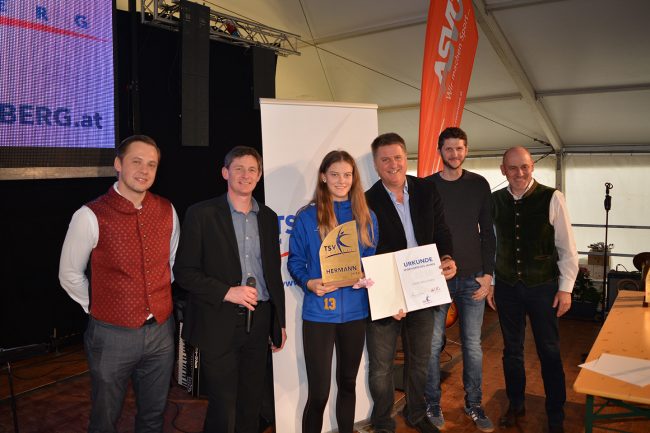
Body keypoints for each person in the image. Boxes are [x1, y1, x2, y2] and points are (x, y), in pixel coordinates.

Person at [59, 135, 180, 433]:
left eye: (151, 164)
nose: (144, 170)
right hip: (110, 335)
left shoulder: (167, 210)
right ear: (118, 164)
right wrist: (98, 306)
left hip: (161, 332)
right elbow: (69, 274)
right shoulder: (90, 215)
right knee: (104, 420)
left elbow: (171, 264)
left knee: (153, 417)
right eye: (136, 161)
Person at [173, 146, 286, 433]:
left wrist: (279, 322)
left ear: (259, 175)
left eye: (252, 170)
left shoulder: (268, 217)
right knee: (223, 406)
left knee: (251, 403)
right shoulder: (201, 214)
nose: (245, 175)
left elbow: (273, 275)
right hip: (217, 319)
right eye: (239, 169)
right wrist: (227, 291)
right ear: (225, 173)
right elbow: (184, 272)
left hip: (259, 321)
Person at [365, 132, 457, 433]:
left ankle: (416, 414)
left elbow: (442, 229)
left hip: (423, 287)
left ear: (406, 158)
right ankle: (382, 422)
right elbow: (366, 250)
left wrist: (447, 257)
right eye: (385, 159)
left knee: (420, 359)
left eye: (398, 157)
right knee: (381, 366)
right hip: (386, 292)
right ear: (376, 165)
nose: (393, 164)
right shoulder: (365, 200)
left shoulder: (426, 189)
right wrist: (388, 295)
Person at [487, 146, 578, 433]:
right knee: (511, 351)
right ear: (503, 170)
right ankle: (516, 405)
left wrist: (566, 288)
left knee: (549, 351)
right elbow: (492, 246)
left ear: (532, 167)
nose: (519, 173)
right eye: (513, 167)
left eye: (524, 166)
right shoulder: (494, 201)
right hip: (507, 287)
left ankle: (556, 415)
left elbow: (566, 246)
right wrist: (491, 282)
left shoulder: (552, 197)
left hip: (542, 288)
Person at [287, 150, 378, 433]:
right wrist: (309, 283)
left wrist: (364, 276)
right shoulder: (306, 217)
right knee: (318, 394)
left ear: (354, 178)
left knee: (348, 384)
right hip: (319, 315)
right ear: (323, 177)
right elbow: (295, 262)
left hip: (355, 313)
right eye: (335, 174)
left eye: (347, 175)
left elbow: (371, 261)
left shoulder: (367, 217)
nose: (341, 180)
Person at [424, 127, 496, 432]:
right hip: (436, 278)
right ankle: (431, 403)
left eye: (460, 148)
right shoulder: (427, 186)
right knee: (432, 345)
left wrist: (488, 275)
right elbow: (422, 233)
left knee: (472, 346)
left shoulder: (479, 184)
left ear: (466, 150)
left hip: (473, 278)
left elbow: (488, 233)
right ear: (440, 151)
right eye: (449, 148)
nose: (455, 154)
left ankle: (474, 404)